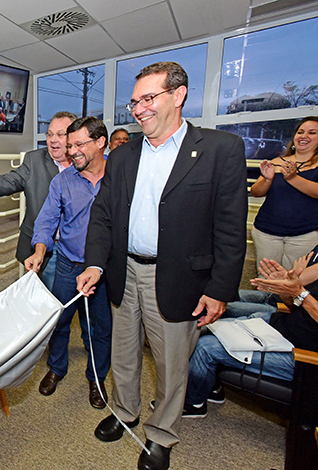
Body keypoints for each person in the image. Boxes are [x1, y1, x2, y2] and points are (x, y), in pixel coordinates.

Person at [78, 61, 247, 470]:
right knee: (123, 352)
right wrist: (96, 264)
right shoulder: (123, 157)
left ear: (179, 95)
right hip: (124, 270)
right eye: (135, 101)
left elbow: (230, 226)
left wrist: (220, 288)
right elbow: (103, 215)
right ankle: (124, 411)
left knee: (172, 362)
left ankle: (161, 434)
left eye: (148, 98)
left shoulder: (220, 149)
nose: (138, 109)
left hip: (178, 277)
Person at [25, 117, 112, 405]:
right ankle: (56, 368)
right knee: (59, 322)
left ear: (100, 143)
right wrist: (40, 250)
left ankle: (96, 379)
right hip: (67, 265)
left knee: (99, 329)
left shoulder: (120, 175)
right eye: (69, 144)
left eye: (78, 144)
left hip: (105, 271)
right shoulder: (62, 180)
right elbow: (47, 220)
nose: (70, 150)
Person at [184, 248, 318, 417]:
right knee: (209, 328)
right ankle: (211, 388)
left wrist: (300, 292)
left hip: (303, 357)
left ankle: (193, 404)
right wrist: (286, 288)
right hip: (282, 329)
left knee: (205, 347)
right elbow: (293, 305)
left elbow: (302, 297)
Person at [0, 111, 77, 290]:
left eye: (60, 134)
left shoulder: (83, 163)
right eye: (49, 134)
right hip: (48, 248)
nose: (52, 140)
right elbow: (7, 182)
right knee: (49, 299)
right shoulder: (35, 160)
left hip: (77, 247)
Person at [251, 116, 318, 270]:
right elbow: (256, 192)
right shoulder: (278, 161)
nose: (304, 136)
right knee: (266, 277)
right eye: (300, 132)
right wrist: (267, 180)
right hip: (266, 232)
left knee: (294, 280)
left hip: (305, 235)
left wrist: (293, 178)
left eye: (312, 133)